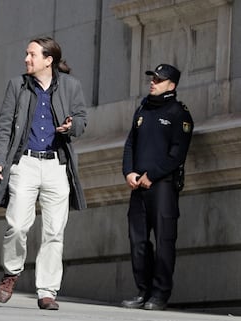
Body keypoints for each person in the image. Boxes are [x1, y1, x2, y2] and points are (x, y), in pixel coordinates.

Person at [0, 37, 87, 310]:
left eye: (32, 55)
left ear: (49, 60)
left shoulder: (71, 86)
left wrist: (71, 126)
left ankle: (47, 291)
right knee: (17, 225)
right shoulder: (17, 85)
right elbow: (5, 123)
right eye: (26, 54)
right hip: (25, 163)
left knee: (54, 232)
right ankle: (12, 271)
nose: (26, 59)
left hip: (57, 165)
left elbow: (82, 120)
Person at [121, 64, 193, 310]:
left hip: (162, 187)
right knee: (137, 240)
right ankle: (143, 291)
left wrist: (152, 175)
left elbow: (177, 154)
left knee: (164, 241)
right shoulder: (142, 110)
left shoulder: (178, 114)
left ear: (171, 85)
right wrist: (129, 172)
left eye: (159, 80)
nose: (153, 82)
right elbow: (130, 144)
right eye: (152, 78)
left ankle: (160, 294)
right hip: (137, 186)